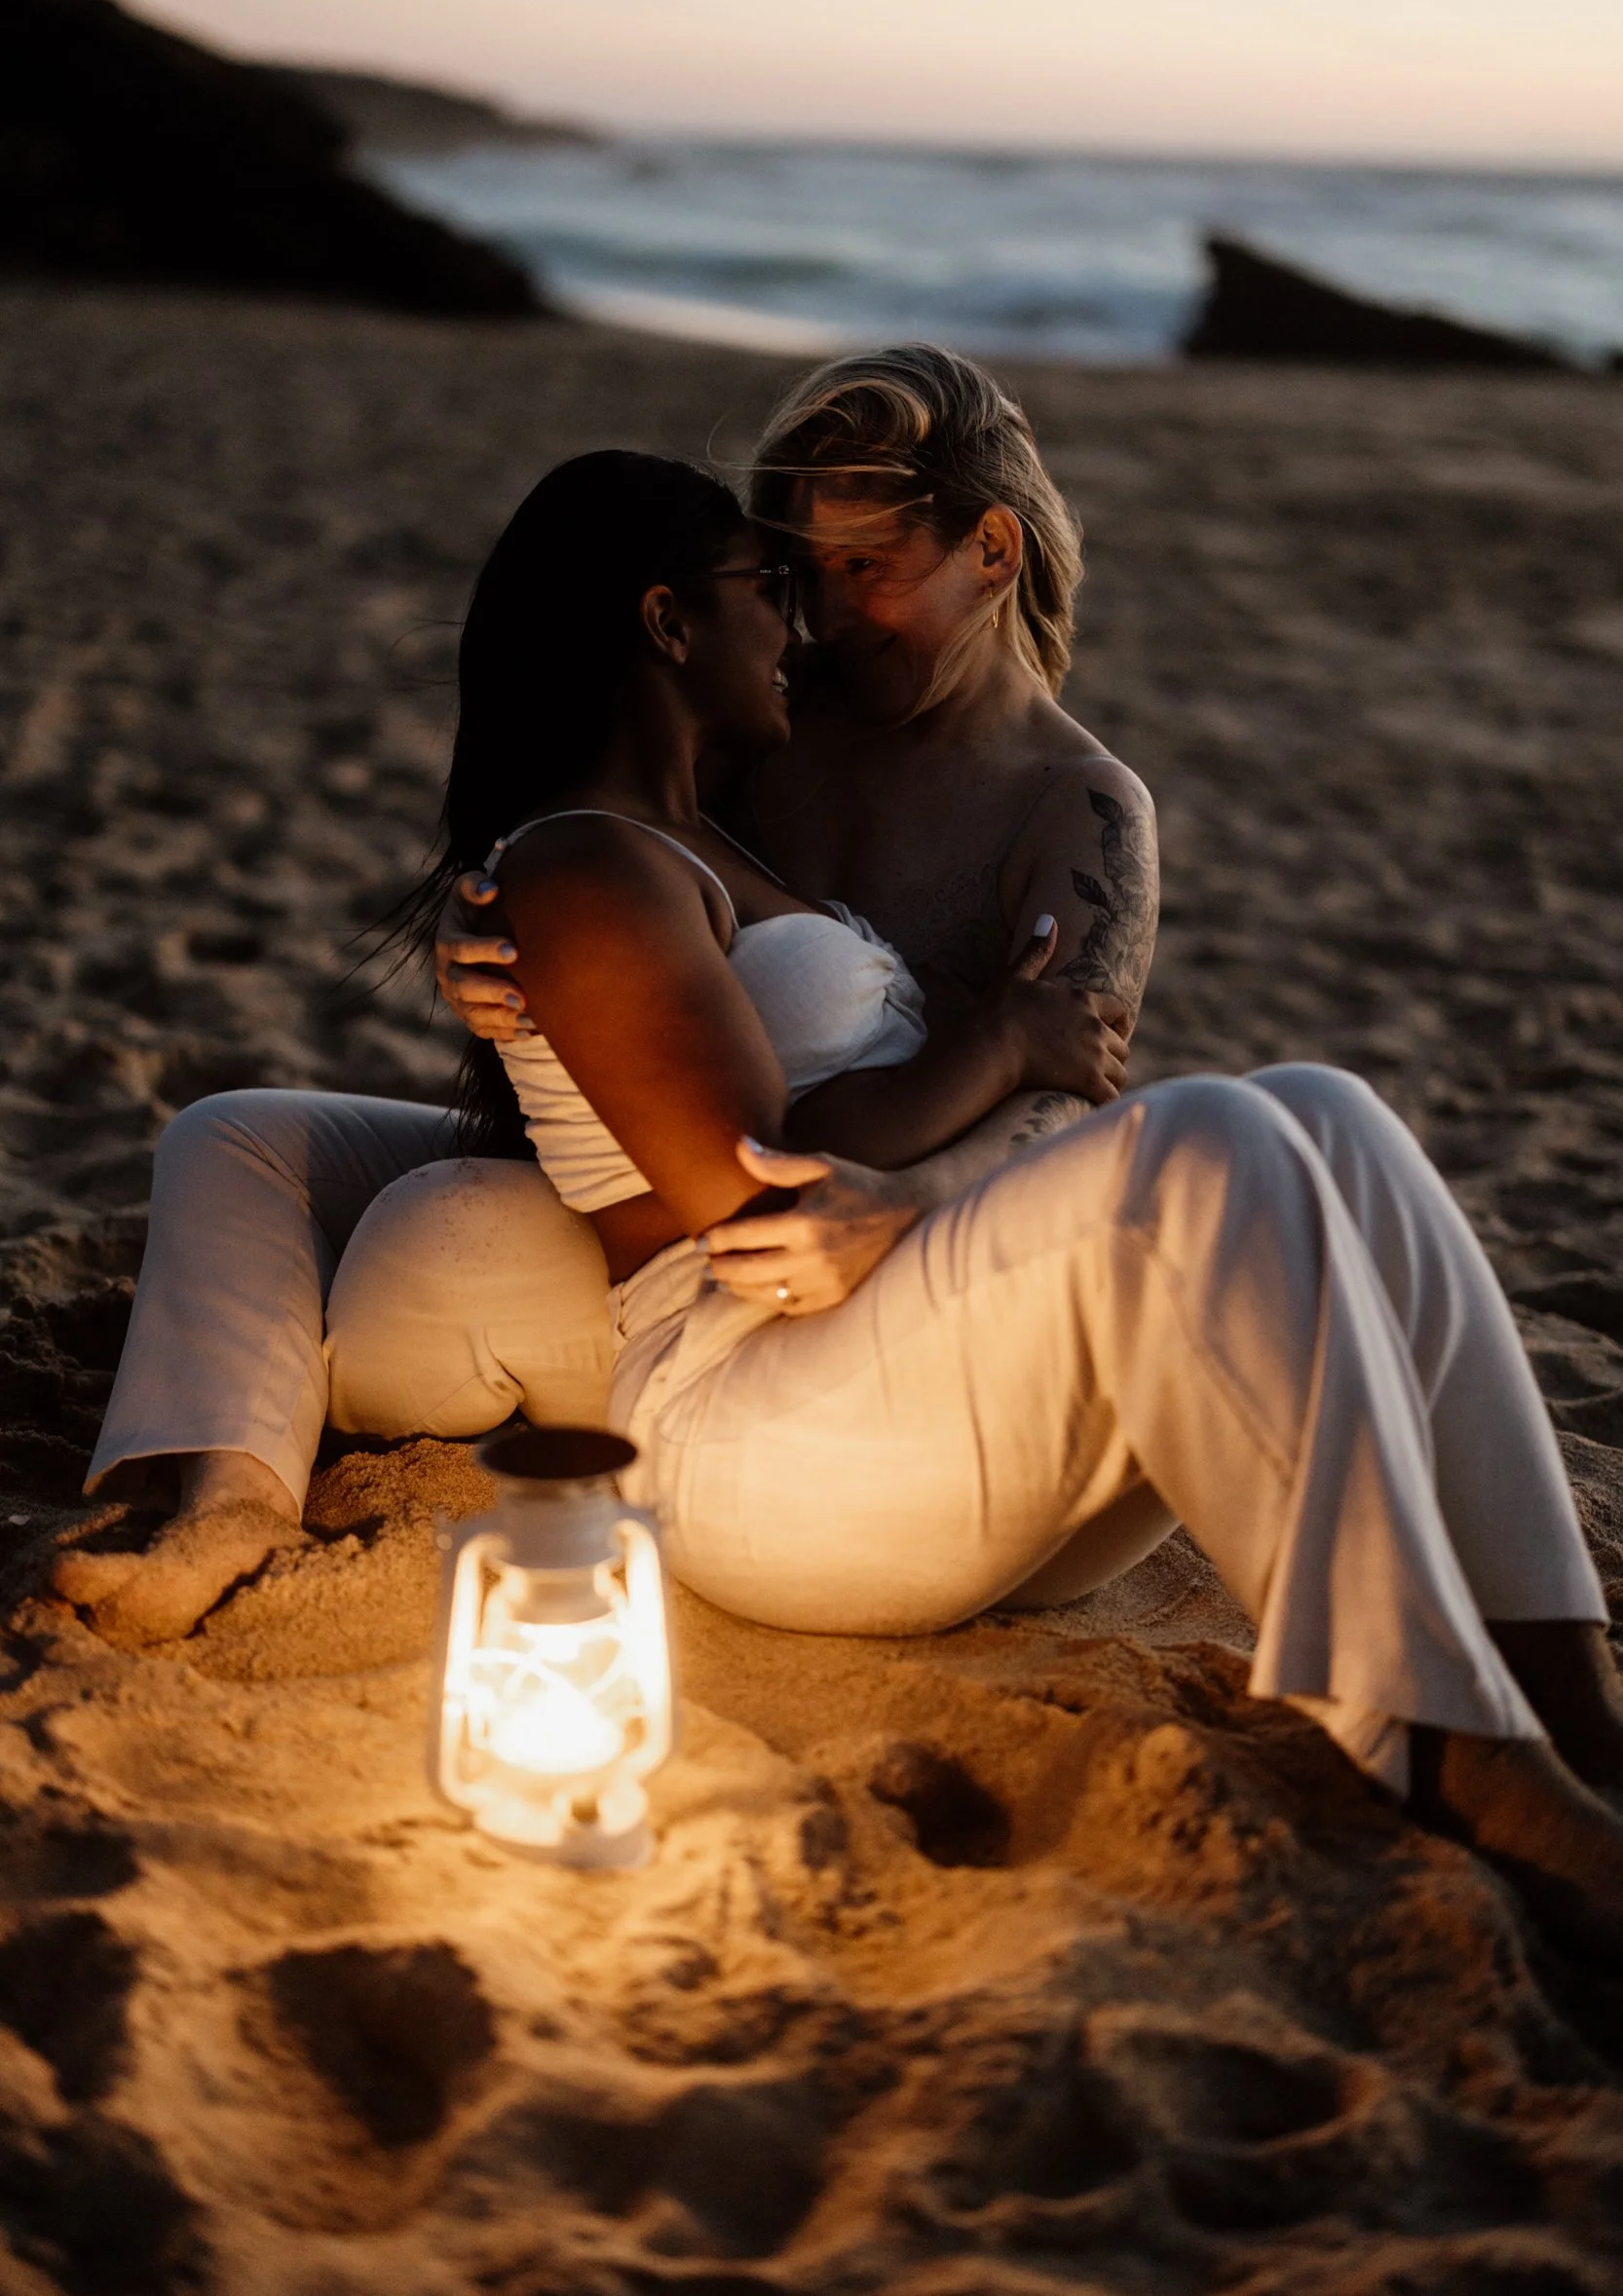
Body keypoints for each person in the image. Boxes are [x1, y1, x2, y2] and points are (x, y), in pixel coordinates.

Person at [63, 442, 1623, 1956]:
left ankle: (1567, 1707)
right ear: (669, 620)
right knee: (1207, 1136)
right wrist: (999, 1036)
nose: (798, 621)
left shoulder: (727, 827)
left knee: (1328, 1113)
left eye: (831, 580)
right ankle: (1440, 1744)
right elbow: (749, 1181)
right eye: (769, 585)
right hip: (759, 1431)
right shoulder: (584, 864)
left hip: (923, 1402)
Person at [57, 347, 1155, 1639]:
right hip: (678, 1173)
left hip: (847, 1236)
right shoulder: (774, 724)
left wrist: (899, 1202)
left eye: (868, 571)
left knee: (459, 1228)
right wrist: (494, 940)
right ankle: (226, 1487)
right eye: (797, 579)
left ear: (991, 549)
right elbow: (620, 865)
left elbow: (1062, 1093)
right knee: (235, 1135)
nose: (825, 618)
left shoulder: (1078, 811)